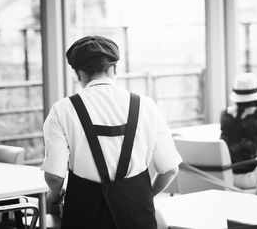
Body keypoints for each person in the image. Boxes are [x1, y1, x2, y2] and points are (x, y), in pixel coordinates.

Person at [41, 35, 182, 229]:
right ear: (114, 69)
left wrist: (55, 198)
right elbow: (170, 169)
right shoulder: (146, 106)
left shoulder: (62, 109)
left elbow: (54, 177)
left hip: (83, 216)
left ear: (78, 73)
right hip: (137, 216)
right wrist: (142, 197)